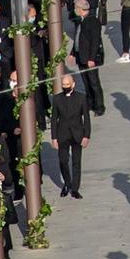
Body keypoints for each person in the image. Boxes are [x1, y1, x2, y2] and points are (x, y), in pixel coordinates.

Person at [50, 71, 91, 199]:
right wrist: (54, 137)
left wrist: (86, 136)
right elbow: (54, 118)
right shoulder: (57, 99)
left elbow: (86, 118)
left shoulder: (81, 97)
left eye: (67, 84)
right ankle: (67, 183)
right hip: (62, 134)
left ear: (73, 84)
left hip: (77, 133)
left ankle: (75, 188)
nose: (65, 86)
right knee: (63, 161)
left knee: (76, 163)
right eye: (63, 84)